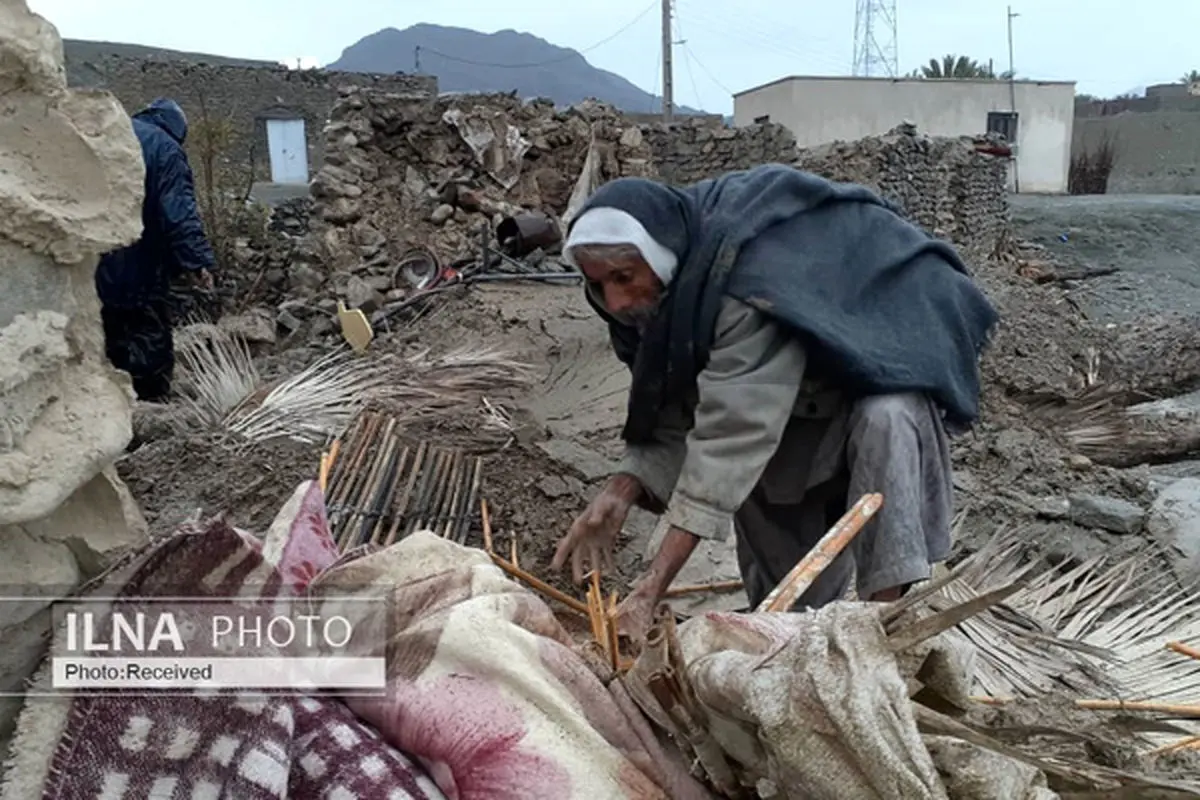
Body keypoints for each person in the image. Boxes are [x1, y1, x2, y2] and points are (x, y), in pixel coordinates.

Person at [551, 164, 997, 639]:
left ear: (659, 257)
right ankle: (800, 633)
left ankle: (880, 628)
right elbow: (677, 406)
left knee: (888, 418)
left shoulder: (742, 283)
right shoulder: (668, 296)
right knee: (785, 618)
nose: (614, 301)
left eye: (623, 277)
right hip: (787, 425)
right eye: (598, 284)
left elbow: (729, 438)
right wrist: (621, 490)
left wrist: (650, 589)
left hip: (855, 408)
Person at [95, 97, 215, 402]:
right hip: (139, 266)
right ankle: (151, 411)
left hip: (92, 265)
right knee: (149, 342)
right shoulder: (166, 148)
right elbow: (178, 212)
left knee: (105, 341)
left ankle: (111, 407)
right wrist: (197, 262)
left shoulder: (112, 133)